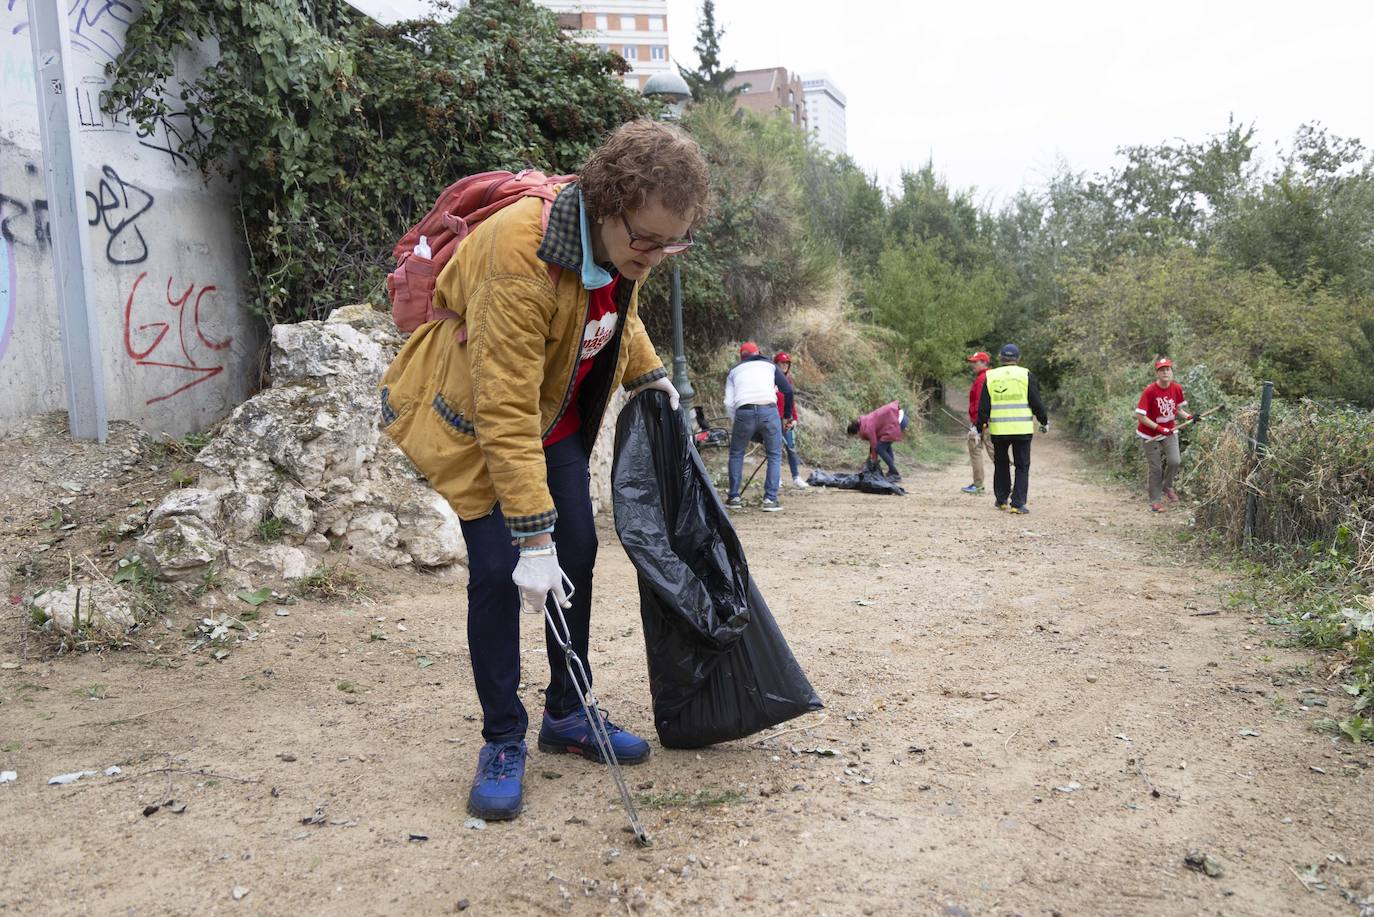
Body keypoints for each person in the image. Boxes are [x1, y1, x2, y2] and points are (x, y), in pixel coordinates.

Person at [378, 120, 711, 822]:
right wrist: (531, 538)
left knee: (580, 551)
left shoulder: (625, 248)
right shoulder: (519, 254)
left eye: (669, 242)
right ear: (604, 203)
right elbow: (501, 408)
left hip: (552, 414)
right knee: (501, 569)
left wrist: (648, 374)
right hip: (477, 422)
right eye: (644, 240)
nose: (652, 257)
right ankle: (503, 736)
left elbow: (619, 306)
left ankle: (566, 711)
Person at [977, 344, 1048, 514]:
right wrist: (1043, 421)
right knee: (1022, 465)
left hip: (999, 429)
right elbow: (1036, 401)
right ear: (1018, 358)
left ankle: (1001, 500)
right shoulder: (1025, 374)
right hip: (1021, 429)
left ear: (1000, 357)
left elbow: (984, 406)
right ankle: (1017, 503)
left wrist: (980, 426)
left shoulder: (991, 376)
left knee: (1001, 464)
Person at [724, 341, 793, 511]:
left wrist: (737, 420)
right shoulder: (769, 366)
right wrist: (787, 417)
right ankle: (770, 499)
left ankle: (734, 497)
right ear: (758, 352)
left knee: (736, 454)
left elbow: (728, 402)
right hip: (769, 412)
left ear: (742, 357)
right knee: (774, 454)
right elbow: (788, 390)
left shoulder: (734, 371)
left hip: (744, 412)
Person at [1135, 357, 1197, 513]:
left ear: (1172, 372)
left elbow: (1177, 409)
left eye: (1168, 369)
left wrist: (1189, 417)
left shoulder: (1176, 388)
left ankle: (1167, 487)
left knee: (1175, 461)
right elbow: (1141, 416)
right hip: (1150, 435)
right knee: (1156, 469)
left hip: (1169, 431)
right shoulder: (1150, 391)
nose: (1165, 372)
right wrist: (1158, 428)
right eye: (1162, 370)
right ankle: (1155, 501)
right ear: (1157, 373)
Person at [847, 401, 908, 480]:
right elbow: (873, 445)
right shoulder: (864, 422)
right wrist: (870, 458)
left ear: (857, 432)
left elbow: (874, 445)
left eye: (855, 436)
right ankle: (891, 470)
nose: (857, 438)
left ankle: (894, 473)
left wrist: (873, 463)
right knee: (885, 446)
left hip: (897, 419)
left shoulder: (867, 428)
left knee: (880, 448)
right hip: (898, 416)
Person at [961, 351, 995, 495]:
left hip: (983, 422)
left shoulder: (983, 379)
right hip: (987, 421)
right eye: (972, 362)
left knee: (980, 451)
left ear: (984, 362)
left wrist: (977, 425)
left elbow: (981, 404)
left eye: (976, 362)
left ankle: (978, 485)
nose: (972, 365)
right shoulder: (988, 376)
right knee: (994, 453)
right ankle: (1006, 483)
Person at [773, 351, 808, 489]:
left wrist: (794, 418)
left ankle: (796, 477)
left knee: (791, 448)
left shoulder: (788, 380)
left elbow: (791, 402)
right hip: (774, 419)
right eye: (782, 362)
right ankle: (776, 478)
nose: (785, 365)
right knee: (775, 449)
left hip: (786, 419)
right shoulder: (770, 379)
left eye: (787, 363)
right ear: (776, 364)